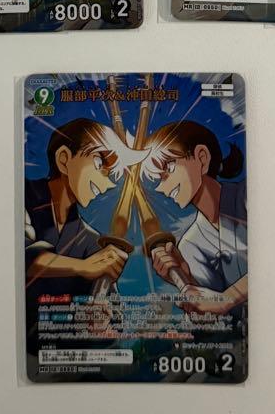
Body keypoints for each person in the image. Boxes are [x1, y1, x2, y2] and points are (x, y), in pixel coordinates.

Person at [25, 118, 145, 295]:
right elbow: (19, 255)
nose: (109, 184)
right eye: (99, 164)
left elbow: (107, 297)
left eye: (110, 174)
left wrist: (104, 303)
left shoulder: (88, 239)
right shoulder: (22, 194)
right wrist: (81, 266)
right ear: (64, 159)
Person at [143, 121, 247, 316]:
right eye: (158, 178)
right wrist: (185, 277)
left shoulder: (247, 196)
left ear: (202, 158)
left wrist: (228, 299)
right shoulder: (190, 244)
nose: (160, 187)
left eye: (169, 168)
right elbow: (212, 313)